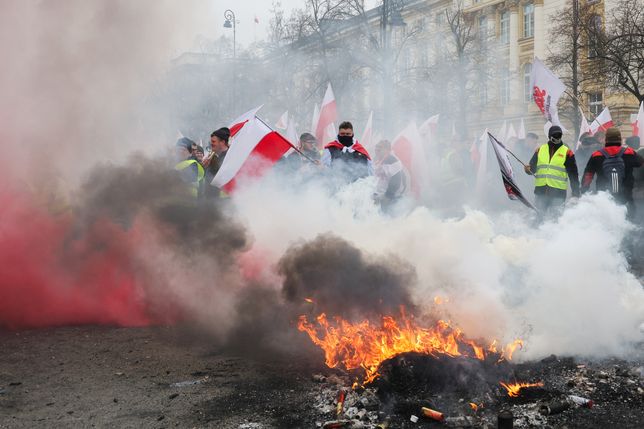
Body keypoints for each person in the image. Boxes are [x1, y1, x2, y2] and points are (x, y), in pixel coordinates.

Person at [581, 128, 643, 218]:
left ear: (606, 139)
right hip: (626, 198)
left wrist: (583, 191)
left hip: (604, 200)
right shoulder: (630, 153)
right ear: (620, 139)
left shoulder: (596, 155)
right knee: (628, 224)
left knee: (605, 224)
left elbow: (588, 176)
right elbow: (641, 165)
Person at [524, 125, 580, 219]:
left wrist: (576, 193)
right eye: (555, 135)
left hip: (558, 194)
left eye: (559, 135)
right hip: (541, 192)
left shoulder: (567, 152)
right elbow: (532, 169)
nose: (557, 137)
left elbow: (573, 175)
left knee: (555, 220)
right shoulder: (540, 150)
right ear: (549, 136)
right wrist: (528, 170)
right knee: (538, 218)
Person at [373, 140, 407, 211]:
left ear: (387, 150)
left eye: (380, 147)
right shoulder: (376, 159)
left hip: (392, 197)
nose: (377, 149)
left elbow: (396, 181)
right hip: (379, 195)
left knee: (389, 218)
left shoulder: (393, 161)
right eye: (376, 147)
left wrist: (388, 196)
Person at [203, 127, 230, 198]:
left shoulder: (230, 157)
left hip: (224, 203)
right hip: (210, 201)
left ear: (222, 142)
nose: (211, 144)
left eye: (213, 142)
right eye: (211, 141)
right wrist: (205, 167)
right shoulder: (213, 156)